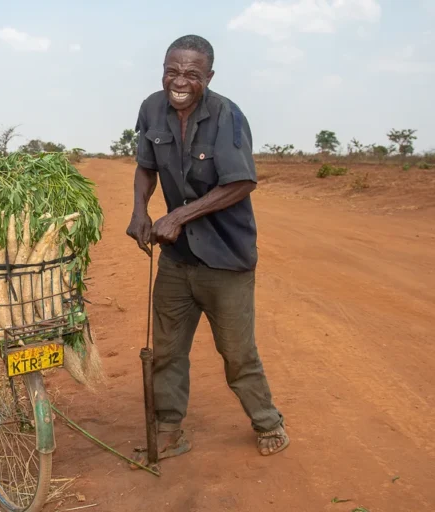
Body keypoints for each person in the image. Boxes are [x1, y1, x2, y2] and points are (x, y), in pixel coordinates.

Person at [126, 34, 289, 462]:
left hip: (225, 259)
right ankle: (169, 429)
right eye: (172, 71)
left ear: (209, 77)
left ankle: (268, 421)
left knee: (237, 352)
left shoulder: (227, 115)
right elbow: (145, 166)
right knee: (166, 350)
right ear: (163, 69)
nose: (180, 81)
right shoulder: (151, 108)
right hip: (176, 260)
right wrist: (141, 211)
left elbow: (241, 183)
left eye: (192, 74)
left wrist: (177, 216)